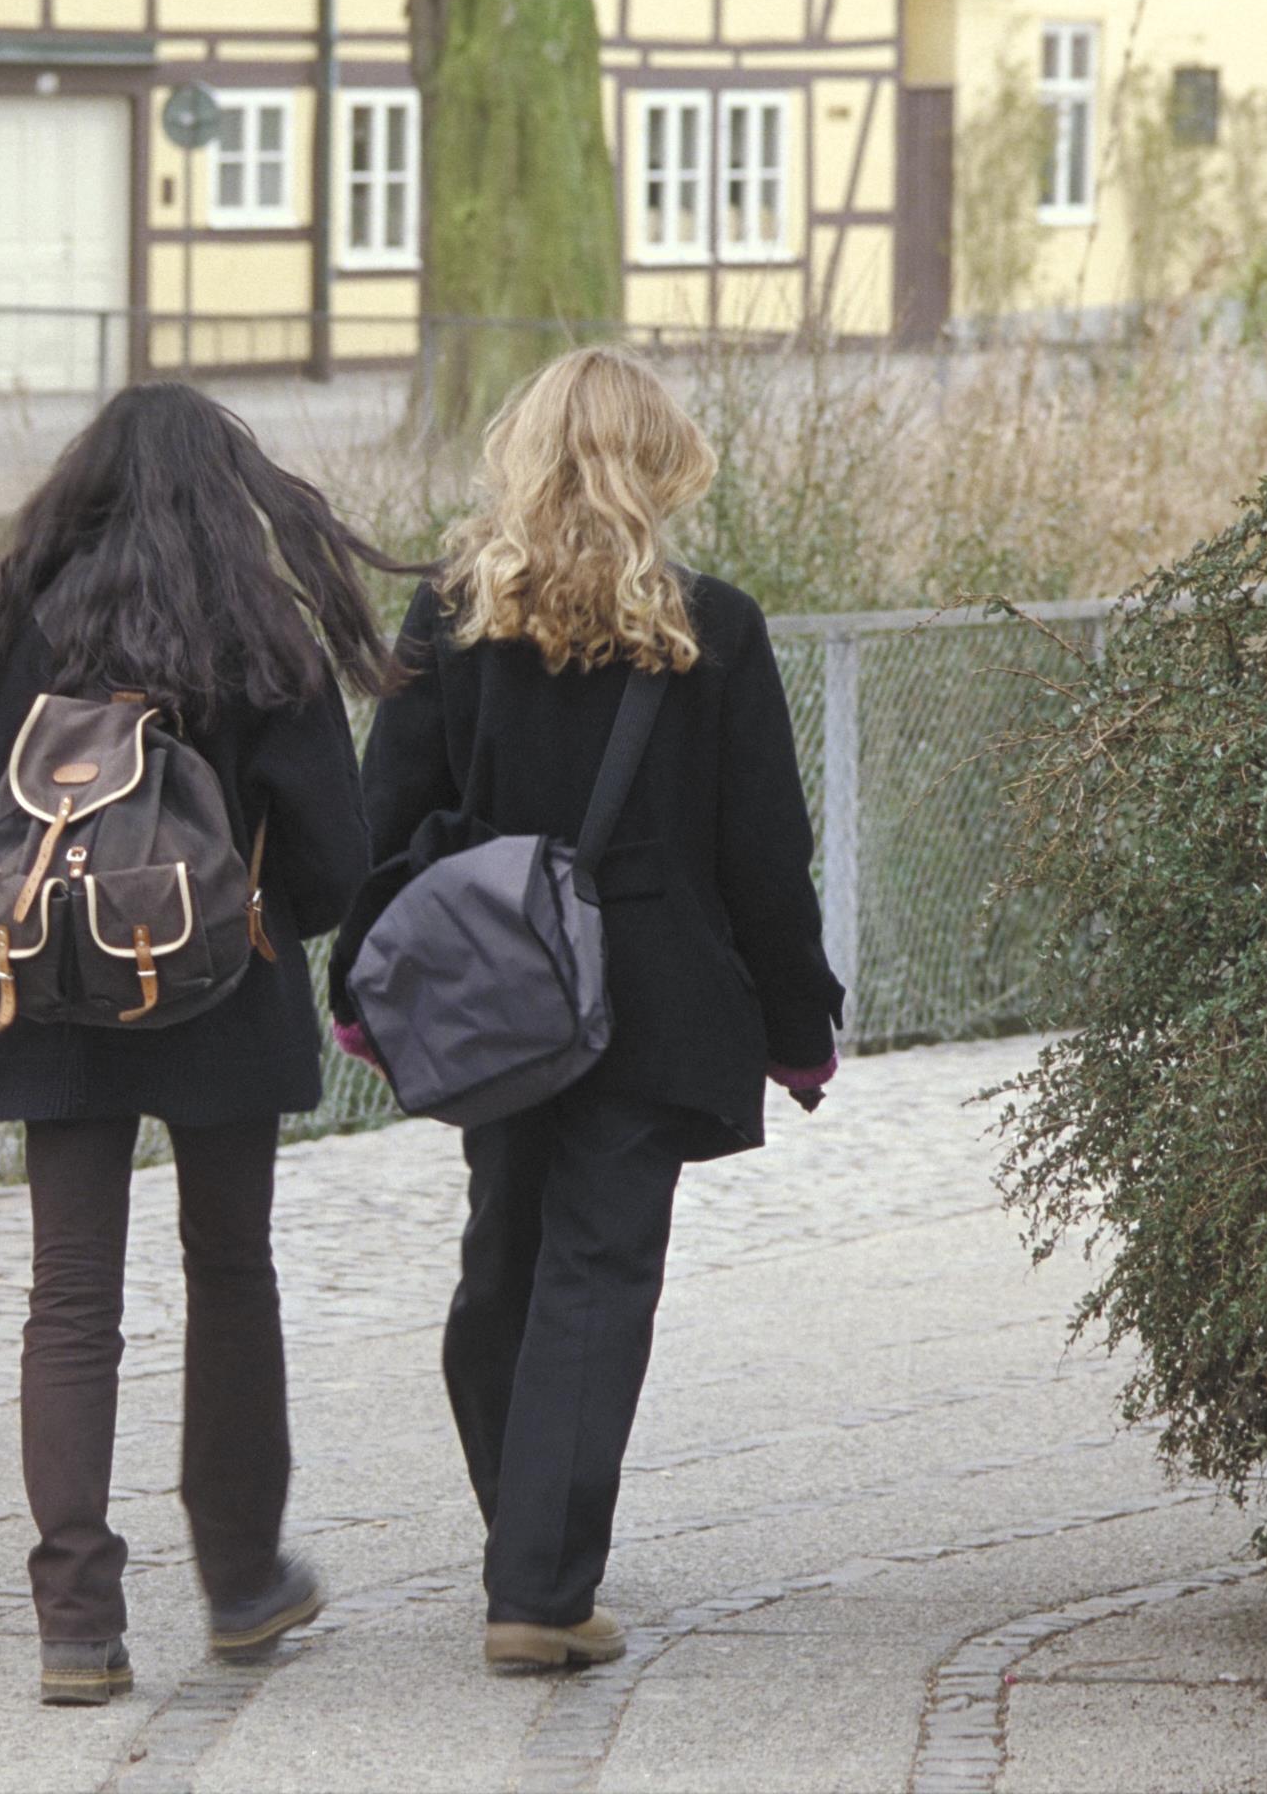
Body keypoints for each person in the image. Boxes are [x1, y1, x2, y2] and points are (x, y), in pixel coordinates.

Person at [334, 346, 844, 1673]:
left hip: (490, 994)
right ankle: (539, 1586)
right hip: (655, 1002)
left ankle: (529, 1550)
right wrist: (799, 1028)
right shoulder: (712, 626)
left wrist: (362, 997)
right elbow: (764, 855)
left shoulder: (454, 615)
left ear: (523, 452)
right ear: (662, 464)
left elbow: (382, 821)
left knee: (501, 1264)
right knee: (597, 1276)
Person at [0, 382, 406, 1706]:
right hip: (223, 992)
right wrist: (241, 910)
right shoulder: (263, 638)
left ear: (80, 490)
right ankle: (241, 1580)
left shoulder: (19, 627)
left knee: (70, 1295)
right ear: (225, 495)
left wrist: (68, 912)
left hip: (50, 997)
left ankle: (76, 1620)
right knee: (230, 1270)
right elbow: (338, 855)